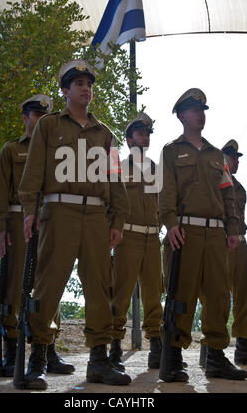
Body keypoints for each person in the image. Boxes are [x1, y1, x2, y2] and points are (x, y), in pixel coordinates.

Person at [18, 59, 131, 390]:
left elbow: (115, 181)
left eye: (89, 84)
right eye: (78, 83)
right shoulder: (49, 126)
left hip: (97, 215)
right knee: (49, 283)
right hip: (59, 212)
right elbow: (33, 173)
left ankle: (99, 360)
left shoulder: (106, 134)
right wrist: (29, 212)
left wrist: (118, 220)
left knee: (99, 286)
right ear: (65, 91)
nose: (86, 88)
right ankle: (37, 358)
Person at [159, 88, 247, 382]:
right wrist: (170, 224)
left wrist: (233, 228)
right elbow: (166, 192)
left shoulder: (215, 155)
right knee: (182, 294)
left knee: (219, 296)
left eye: (203, 110)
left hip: (216, 234)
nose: (201, 114)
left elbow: (229, 194)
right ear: (182, 115)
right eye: (196, 110)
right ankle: (173, 355)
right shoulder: (172, 151)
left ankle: (215, 355)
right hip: (186, 232)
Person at [0, 94, 71, 377]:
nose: (40, 121)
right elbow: (1, 194)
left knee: (49, 284)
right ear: (25, 117)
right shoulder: (11, 150)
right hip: (16, 220)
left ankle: (47, 349)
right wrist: (1, 230)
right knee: (16, 287)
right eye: (36, 115)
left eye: (44, 116)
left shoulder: (55, 151)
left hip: (49, 218)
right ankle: (12, 352)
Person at [110, 113, 163, 371]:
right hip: (127, 237)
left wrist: (158, 227)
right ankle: (115, 345)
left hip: (153, 238)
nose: (145, 137)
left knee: (154, 294)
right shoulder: (119, 169)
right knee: (120, 293)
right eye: (140, 133)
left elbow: (165, 205)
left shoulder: (157, 170)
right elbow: (113, 205)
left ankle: (156, 346)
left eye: (148, 133)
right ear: (129, 138)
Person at [222, 139, 247, 365]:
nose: (237, 162)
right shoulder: (215, 183)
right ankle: (211, 347)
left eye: (237, 158)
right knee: (217, 297)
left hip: (241, 245)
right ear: (223, 158)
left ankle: (242, 346)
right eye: (234, 157)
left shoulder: (240, 188)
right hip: (222, 244)